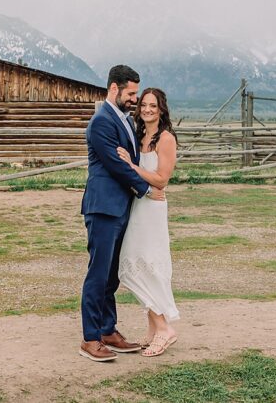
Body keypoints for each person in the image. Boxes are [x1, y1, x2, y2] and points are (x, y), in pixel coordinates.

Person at [79, 65, 165, 362]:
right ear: (113, 89)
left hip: (120, 208)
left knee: (112, 274)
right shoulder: (101, 122)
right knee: (98, 273)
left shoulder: (126, 120)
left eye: (136, 93)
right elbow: (117, 166)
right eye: (130, 93)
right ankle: (90, 338)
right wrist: (145, 189)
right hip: (103, 207)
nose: (135, 99)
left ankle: (107, 329)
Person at [116, 87, 179, 357]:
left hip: (153, 209)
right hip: (138, 205)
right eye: (144, 105)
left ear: (161, 109)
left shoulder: (166, 138)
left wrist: (132, 167)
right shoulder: (140, 135)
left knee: (148, 264)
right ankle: (153, 331)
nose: (147, 110)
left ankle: (165, 329)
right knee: (135, 265)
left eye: (153, 106)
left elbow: (162, 179)